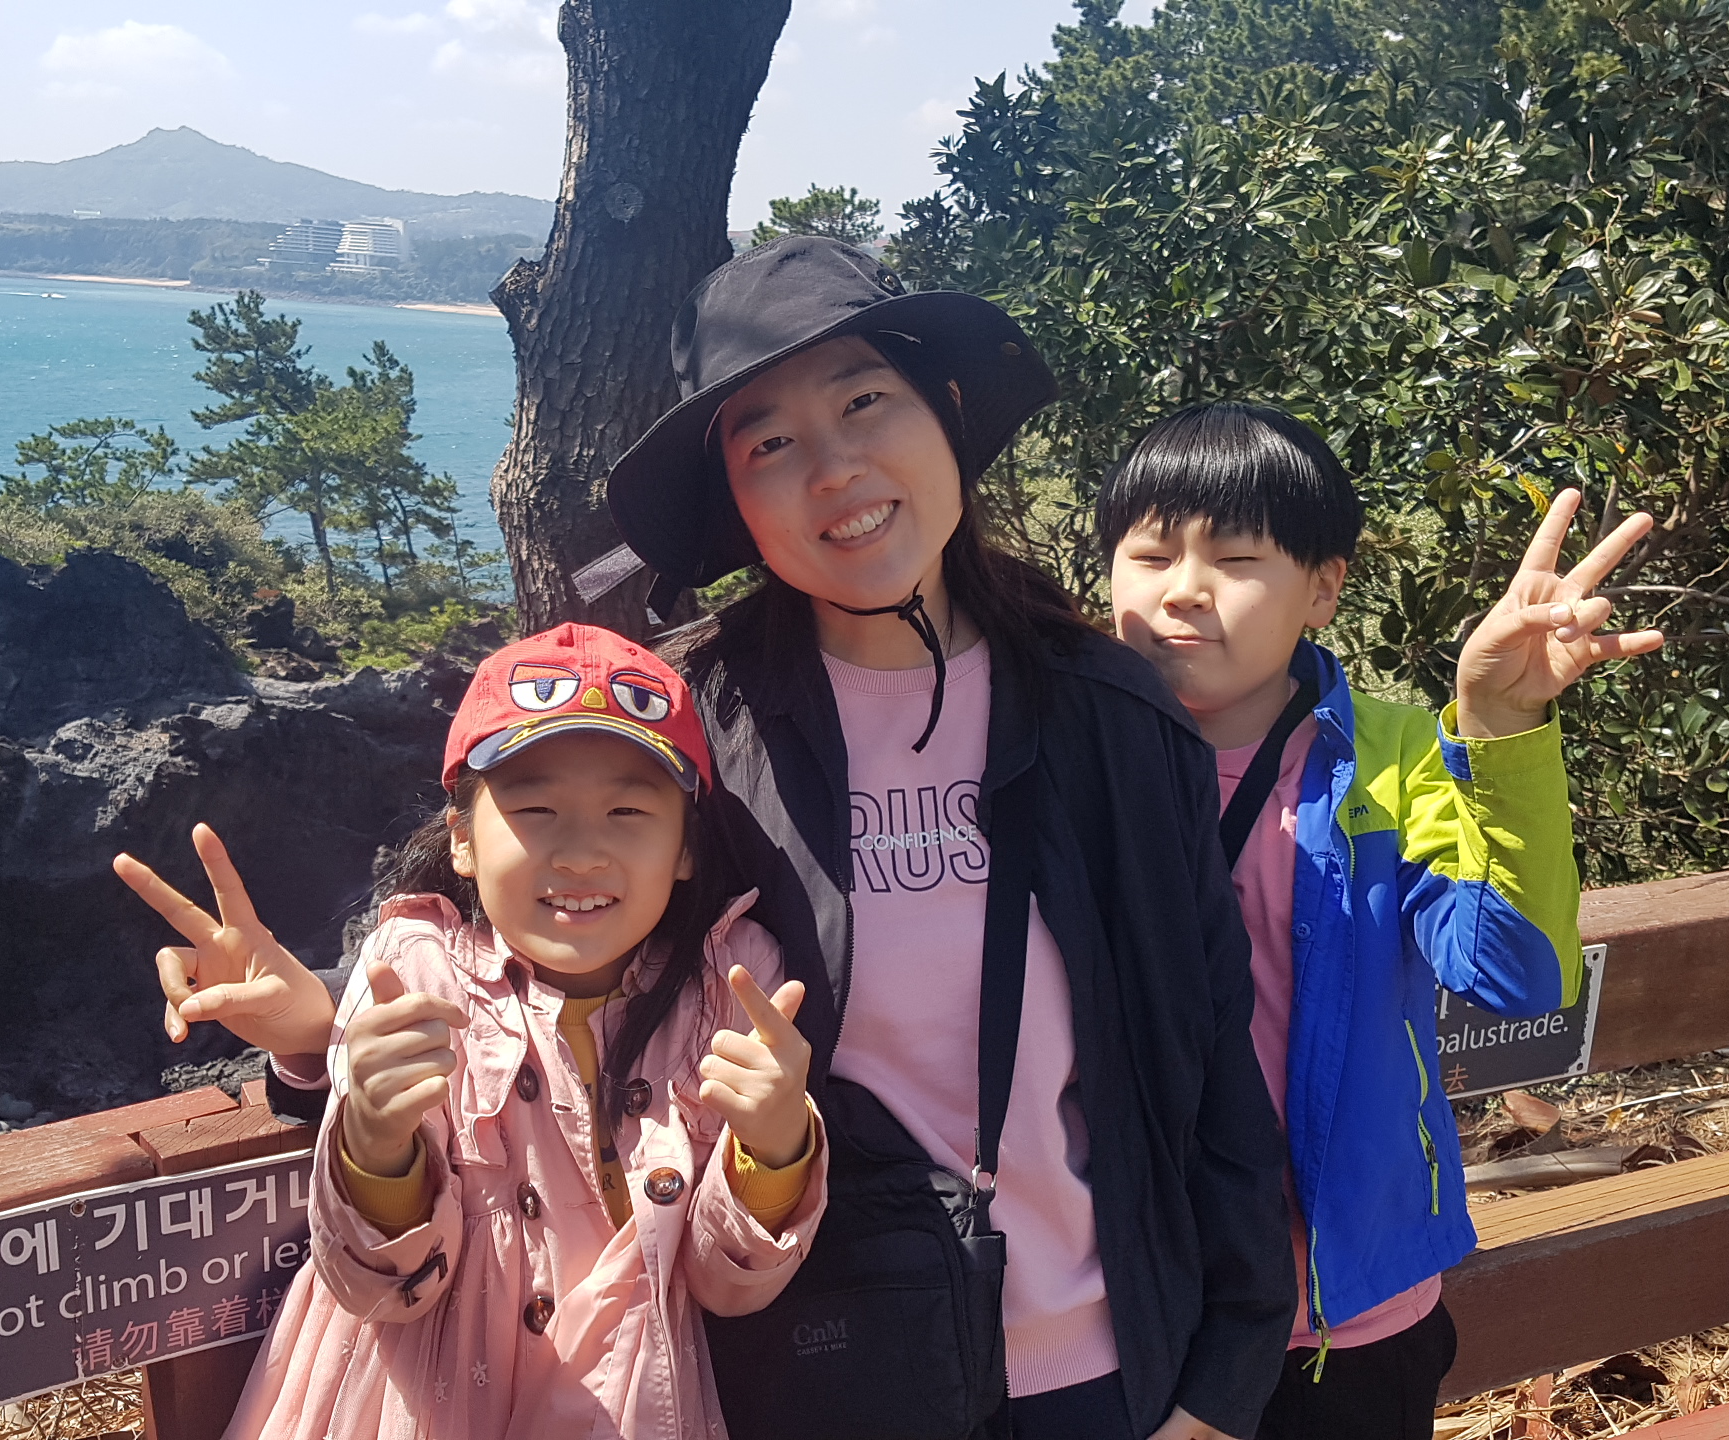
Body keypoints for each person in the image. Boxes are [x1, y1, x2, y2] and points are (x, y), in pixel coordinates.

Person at [600, 236, 1296, 1440]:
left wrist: (1223, 1379)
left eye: (865, 401)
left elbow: (1204, 1047)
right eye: (768, 444)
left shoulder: (1110, 719)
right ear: (735, 505)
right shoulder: (694, 733)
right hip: (828, 1374)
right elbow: (538, 946)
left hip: (1105, 1368)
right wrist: (314, 1048)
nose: (835, 469)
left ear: (948, 409)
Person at [1098, 402, 1662, 1440]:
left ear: (1323, 588)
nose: (1182, 590)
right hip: (1125, 1298)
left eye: (1235, 558)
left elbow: (1517, 976)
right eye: (1149, 555)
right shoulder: (1064, 761)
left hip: (1339, 1311)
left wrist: (1499, 726)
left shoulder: (1395, 762)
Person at [114, 624, 827, 1440]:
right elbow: (378, 1285)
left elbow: (727, 1285)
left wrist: (775, 1148)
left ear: (686, 848)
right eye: (535, 809)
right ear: (462, 839)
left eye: (628, 810)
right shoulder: (412, 967)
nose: (582, 852)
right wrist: (375, 1142)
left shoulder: (732, 984)